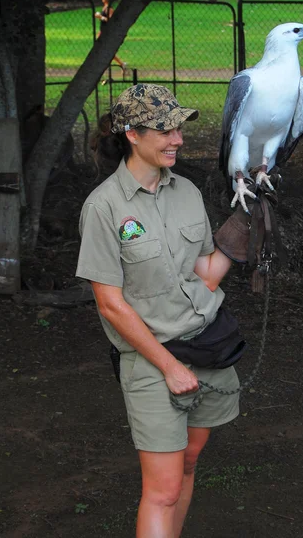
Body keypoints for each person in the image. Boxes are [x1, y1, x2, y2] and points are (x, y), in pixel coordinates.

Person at [76, 84, 255, 538]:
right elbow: (110, 305)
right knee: (163, 490)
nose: (177, 138)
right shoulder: (104, 207)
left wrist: (249, 225)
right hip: (154, 361)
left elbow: (205, 274)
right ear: (133, 134)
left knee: (189, 464)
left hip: (208, 349)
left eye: (179, 128)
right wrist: (170, 366)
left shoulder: (187, 192)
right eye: (165, 129)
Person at [95, 0, 127, 75]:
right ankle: (121, 64)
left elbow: (110, 21)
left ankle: (120, 64)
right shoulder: (105, 7)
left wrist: (100, 17)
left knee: (106, 52)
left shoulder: (109, 9)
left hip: (106, 33)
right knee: (102, 51)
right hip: (103, 32)